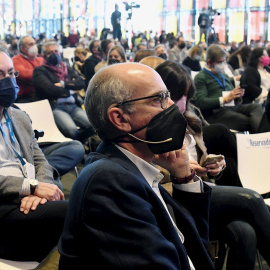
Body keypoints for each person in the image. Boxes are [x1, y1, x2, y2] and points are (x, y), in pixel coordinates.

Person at [58, 62, 214, 270]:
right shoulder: (109, 182)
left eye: (167, 96)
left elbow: (193, 253)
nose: (172, 107)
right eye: (158, 99)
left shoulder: (135, 169)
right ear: (120, 118)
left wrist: (182, 175)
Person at [155, 60, 270, 270]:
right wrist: (180, 170)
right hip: (176, 198)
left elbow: (203, 165)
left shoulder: (190, 117)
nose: (181, 103)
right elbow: (150, 174)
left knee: (245, 232)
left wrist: (213, 168)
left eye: (185, 96)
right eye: (176, 95)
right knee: (251, 199)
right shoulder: (151, 128)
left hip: (200, 191)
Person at [0, 47, 68, 262]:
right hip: (4, 203)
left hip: (25, 199)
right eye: (0, 74)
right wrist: (31, 187)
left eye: (11, 73)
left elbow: (39, 159)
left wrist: (40, 188)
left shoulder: (18, 117)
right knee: (81, 209)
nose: (8, 80)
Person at [32, 41, 95, 143]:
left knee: (93, 125)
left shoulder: (66, 68)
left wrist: (63, 84)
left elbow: (81, 83)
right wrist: (71, 90)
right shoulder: (39, 71)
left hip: (73, 106)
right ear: (44, 55)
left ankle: (80, 145)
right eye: (50, 52)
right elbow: (50, 89)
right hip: (55, 107)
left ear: (60, 53)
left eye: (56, 51)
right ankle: (78, 148)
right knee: (71, 130)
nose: (54, 54)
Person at [194, 44, 263, 133]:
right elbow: (201, 102)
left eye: (224, 61)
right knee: (250, 121)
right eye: (219, 62)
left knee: (256, 107)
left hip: (233, 106)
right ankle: (261, 140)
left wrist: (237, 95)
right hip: (217, 112)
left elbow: (232, 96)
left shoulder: (224, 75)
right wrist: (225, 99)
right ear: (209, 62)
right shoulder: (200, 77)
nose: (223, 64)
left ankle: (261, 140)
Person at [12, 35, 43, 102]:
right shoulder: (15, 60)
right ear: (23, 48)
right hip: (25, 97)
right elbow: (25, 75)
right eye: (30, 44)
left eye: (34, 43)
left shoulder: (40, 59)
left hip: (42, 95)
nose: (34, 46)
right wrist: (43, 75)